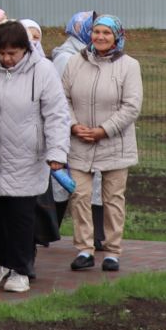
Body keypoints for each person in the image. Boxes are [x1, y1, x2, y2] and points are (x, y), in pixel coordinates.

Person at [0, 21, 71, 295]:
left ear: (26, 49)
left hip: (26, 158)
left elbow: (57, 115)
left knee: (20, 218)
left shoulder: (43, 71)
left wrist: (57, 153)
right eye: (1, 52)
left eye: (12, 53)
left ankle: (21, 269)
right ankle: (1, 260)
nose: (6, 58)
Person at [59, 16, 142, 273]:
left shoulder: (129, 66)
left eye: (107, 32)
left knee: (113, 198)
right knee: (80, 195)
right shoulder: (75, 62)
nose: (101, 37)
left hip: (114, 142)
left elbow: (131, 106)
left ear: (117, 36)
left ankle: (113, 251)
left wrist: (103, 131)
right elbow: (62, 99)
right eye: (96, 31)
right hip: (80, 141)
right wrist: (73, 125)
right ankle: (85, 249)